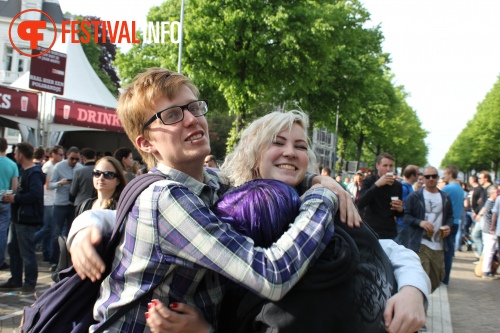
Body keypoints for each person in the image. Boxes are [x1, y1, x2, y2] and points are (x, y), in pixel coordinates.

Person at [67, 68, 353, 332]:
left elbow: (257, 175)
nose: (192, 119)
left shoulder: (215, 182)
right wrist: (322, 196)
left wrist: (314, 179)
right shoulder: (163, 198)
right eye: (171, 115)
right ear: (146, 143)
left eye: (193, 107)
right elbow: (271, 276)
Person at [145, 110, 429, 333]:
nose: (291, 152)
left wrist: (413, 291)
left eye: (300, 146)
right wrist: (99, 220)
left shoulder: (324, 203)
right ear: (253, 154)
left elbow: (389, 250)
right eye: (277, 142)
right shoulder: (226, 202)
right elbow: (150, 216)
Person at [53, 156, 127, 281]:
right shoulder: (85, 204)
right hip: (79, 266)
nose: (101, 178)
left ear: (118, 180)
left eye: (108, 174)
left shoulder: (120, 206)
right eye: (97, 173)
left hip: (104, 270)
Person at [0, 142, 45, 295]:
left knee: (27, 253)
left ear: (21, 155)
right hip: (18, 218)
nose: (14, 155)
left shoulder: (33, 173)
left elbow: (35, 195)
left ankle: (30, 283)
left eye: (16, 152)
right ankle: (16, 279)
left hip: (27, 219)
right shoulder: (25, 170)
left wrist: (15, 199)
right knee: (14, 250)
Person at [403, 166, 453, 292]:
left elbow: (450, 217)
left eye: (434, 176)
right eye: (427, 176)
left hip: (439, 244)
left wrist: (448, 226)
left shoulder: (445, 197)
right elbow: (405, 216)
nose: (431, 179)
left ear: (438, 177)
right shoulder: (415, 196)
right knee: (422, 277)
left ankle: (422, 299)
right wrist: (420, 222)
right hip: (421, 244)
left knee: (437, 277)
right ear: (423, 178)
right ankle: (421, 307)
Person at [48, 146, 82, 271]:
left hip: (73, 205)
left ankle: (68, 260)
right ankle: (54, 260)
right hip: (60, 203)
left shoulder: (80, 168)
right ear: (67, 155)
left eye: (77, 159)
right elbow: (49, 185)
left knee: (71, 234)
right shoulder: (59, 167)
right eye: (72, 158)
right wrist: (60, 183)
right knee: (56, 233)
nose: (74, 161)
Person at [358, 152, 403, 239]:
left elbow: (398, 214)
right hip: (371, 230)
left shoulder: (397, 185)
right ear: (377, 166)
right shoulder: (369, 181)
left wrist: (400, 209)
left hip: (389, 232)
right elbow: (360, 203)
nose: (388, 169)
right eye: (385, 165)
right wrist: (377, 185)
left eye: (390, 166)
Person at [34, 145, 64, 262]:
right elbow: (46, 185)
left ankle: (47, 253)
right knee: (48, 227)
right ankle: (32, 240)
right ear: (53, 155)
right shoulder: (48, 166)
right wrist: (60, 183)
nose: (62, 157)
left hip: (52, 200)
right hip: (48, 200)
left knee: (50, 229)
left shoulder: (54, 166)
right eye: (60, 154)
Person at [441, 165, 464, 285]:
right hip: (456, 222)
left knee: (446, 251)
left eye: (445, 173)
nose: (443, 175)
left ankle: (444, 278)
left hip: (447, 223)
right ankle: (445, 278)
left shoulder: (448, 188)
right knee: (449, 249)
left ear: (450, 174)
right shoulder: (459, 188)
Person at [0, 137, 19, 270]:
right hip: (4, 200)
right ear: (6, 148)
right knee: (2, 232)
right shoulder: (12, 164)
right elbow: (14, 187)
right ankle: (0, 260)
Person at [396, 165, 419, 247]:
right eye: (418, 174)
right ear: (413, 175)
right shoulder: (404, 188)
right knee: (402, 248)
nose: (419, 176)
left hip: (405, 224)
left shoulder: (408, 187)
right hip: (402, 224)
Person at [480, 185, 498, 280]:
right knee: (489, 251)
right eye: (496, 192)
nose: (498, 194)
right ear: (491, 194)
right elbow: (493, 215)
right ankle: (486, 271)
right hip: (490, 231)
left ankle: (486, 270)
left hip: (488, 230)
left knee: (489, 251)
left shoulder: (490, 202)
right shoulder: (491, 203)